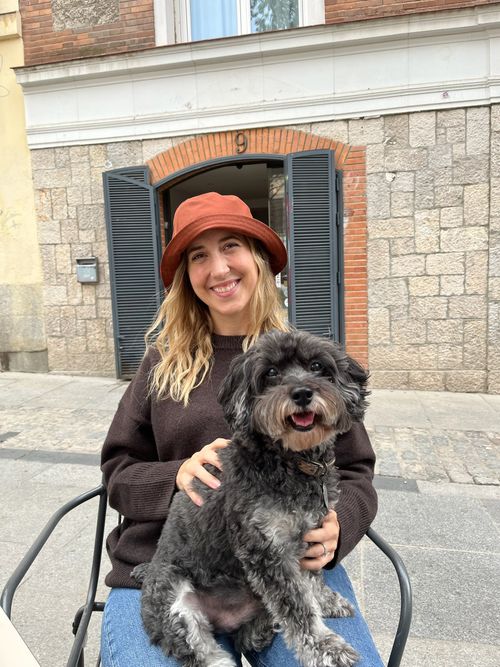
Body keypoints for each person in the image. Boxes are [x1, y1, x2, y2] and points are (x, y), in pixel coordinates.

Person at [100, 192, 382, 666]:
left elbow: (356, 471)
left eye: (231, 246)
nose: (218, 268)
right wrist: (175, 476)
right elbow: (117, 472)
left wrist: (340, 525)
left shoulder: (310, 359)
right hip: (174, 564)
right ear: (186, 277)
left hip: (290, 561)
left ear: (259, 258)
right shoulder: (160, 365)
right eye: (198, 256)